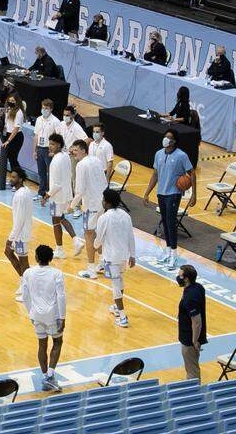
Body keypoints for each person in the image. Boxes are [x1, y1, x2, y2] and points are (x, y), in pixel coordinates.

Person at [142, 129, 197, 267]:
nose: (166, 139)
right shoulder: (158, 154)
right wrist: (147, 192)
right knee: (165, 222)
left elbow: (192, 173)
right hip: (161, 192)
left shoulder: (181, 156)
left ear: (174, 141)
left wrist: (194, 194)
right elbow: (155, 174)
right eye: (165, 136)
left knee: (171, 223)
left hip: (174, 193)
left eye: (169, 137)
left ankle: (174, 254)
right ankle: (167, 250)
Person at [21, 244, 66, 391]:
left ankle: (45, 375)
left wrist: (30, 313)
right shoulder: (57, 273)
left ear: (36, 257)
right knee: (58, 342)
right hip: (52, 315)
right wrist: (62, 317)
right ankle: (50, 376)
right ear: (51, 258)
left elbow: (25, 296)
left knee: (42, 345)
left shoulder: (28, 273)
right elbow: (61, 296)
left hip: (36, 315)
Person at [95, 189, 136, 328]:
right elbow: (131, 236)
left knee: (116, 285)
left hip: (111, 257)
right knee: (119, 281)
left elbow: (98, 239)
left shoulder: (104, 218)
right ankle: (117, 309)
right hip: (123, 256)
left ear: (106, 202)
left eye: (103, 199)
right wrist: (133, 255)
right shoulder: (126, 215)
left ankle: (123, 317)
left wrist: (95, 245)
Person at [70, 140, 107, 276]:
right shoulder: (96, 160)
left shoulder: (80, 165)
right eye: (73, 149)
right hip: (102, 203)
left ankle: (91, 268)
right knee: (99, 234)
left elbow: (79, 190)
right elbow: (104, 181)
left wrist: (72, 206)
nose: (73, 152)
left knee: (89, 235)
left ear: (84, 150)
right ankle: (102, 263)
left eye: (76, 149)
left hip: (91, 204)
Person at [44, 133, 78, 258]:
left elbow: (56, 184)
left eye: (52, 144)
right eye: (49, 143)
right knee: (61, 218)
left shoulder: (55, 162)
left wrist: (47, 195)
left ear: (59, 145)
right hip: (66, 194)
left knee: (55, 220)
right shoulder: (64, 156)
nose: (50, 146)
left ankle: (60, 249)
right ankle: (76, 240)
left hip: (57, 196)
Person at [177, 264, 207, 380]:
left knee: (192, 371)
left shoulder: (190, 297)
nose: (178, 278)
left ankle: (193, 394)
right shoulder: (198, 287)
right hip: (191, 335)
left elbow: (197, 321)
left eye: (180, 276)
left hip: (189, 339)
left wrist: (194, 341)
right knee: (192, 367)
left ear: (186, 278)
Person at [5, 167, 34, 290]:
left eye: (14, 177)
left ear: (21, 179)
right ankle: (24, 282)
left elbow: (19, 220)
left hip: (21, 234)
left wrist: (11, 238)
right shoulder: (25, 191)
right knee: (8, 252)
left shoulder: (21, 196)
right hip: (21, 232)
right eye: (11, 176)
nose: (11, 179)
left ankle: (27, 287)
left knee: (23, 261)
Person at [33, 98, 61, 202]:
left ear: (51, 109)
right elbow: (36, 136)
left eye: (47, 108)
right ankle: (41, 193)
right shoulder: (39, 119)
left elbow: (58, 138)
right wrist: (34, 150)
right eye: (43, 108)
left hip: (49, 150)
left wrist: (54, 152)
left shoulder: (56, 121)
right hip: (40, 148)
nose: (44, 110)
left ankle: (50, 194)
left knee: (52, 173)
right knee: (41, 173)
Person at [1, 92, 25, 178]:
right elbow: (7, 123)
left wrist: (8, 141)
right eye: (10, 100)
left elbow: (16, 129)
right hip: (8, 134)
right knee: (10, 158)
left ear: (17, 101)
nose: (11, 102)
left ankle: (20, 178)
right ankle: (15, 178)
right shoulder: (8, 109)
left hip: (16, 137)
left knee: (13, 158)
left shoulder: (19, 112)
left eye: (13, 100)